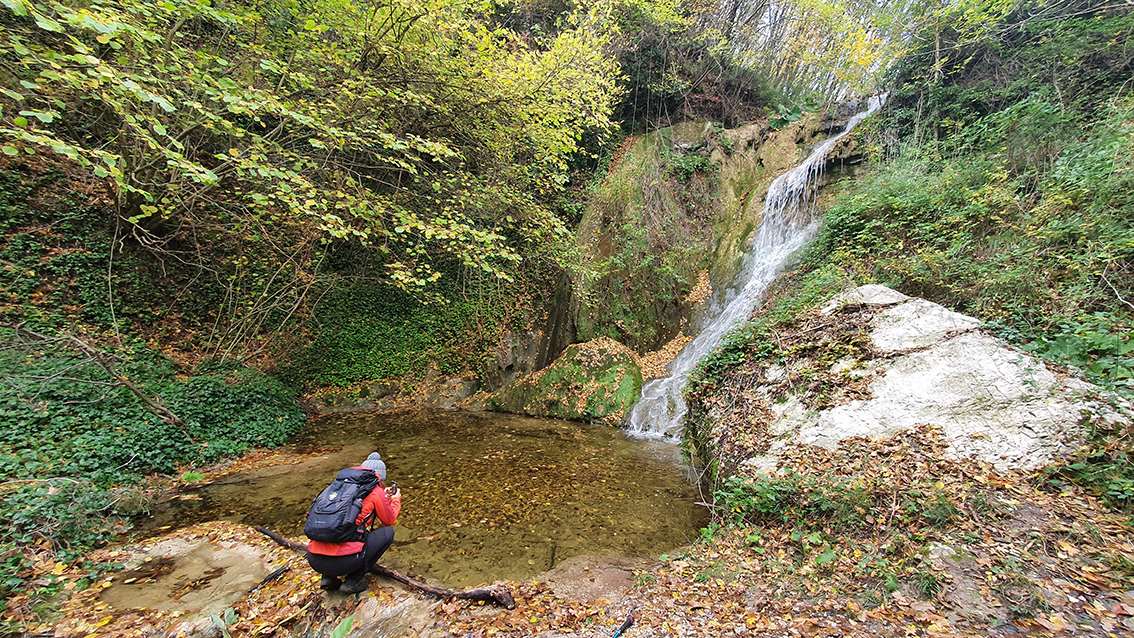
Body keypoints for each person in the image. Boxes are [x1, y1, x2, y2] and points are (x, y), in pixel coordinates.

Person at [306, 452, 402, 594]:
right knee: (388, 533)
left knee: (337, 527)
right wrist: (395, 499)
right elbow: (389, 520)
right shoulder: (375, 492)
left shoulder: (336, 487)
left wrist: (383, 496)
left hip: (314, 560)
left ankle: (328, 578)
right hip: (344, 562)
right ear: (380, 477)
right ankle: (353, 581)